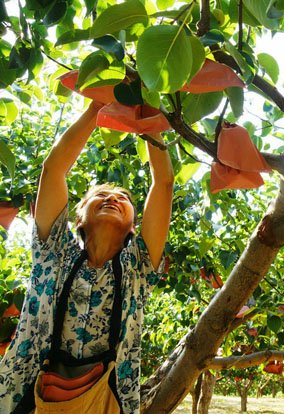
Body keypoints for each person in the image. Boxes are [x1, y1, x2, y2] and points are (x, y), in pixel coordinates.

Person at [0, 101, 174, 413]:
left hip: (108, 398)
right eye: (101, 195)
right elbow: (53, 170)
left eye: (122, 199)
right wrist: (98, 105)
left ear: (134, 226)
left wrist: (148, 112)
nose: (112, 198)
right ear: (79, 218)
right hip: (24, 392)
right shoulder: (54, 252)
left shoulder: (138, 266)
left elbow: (163, 182)